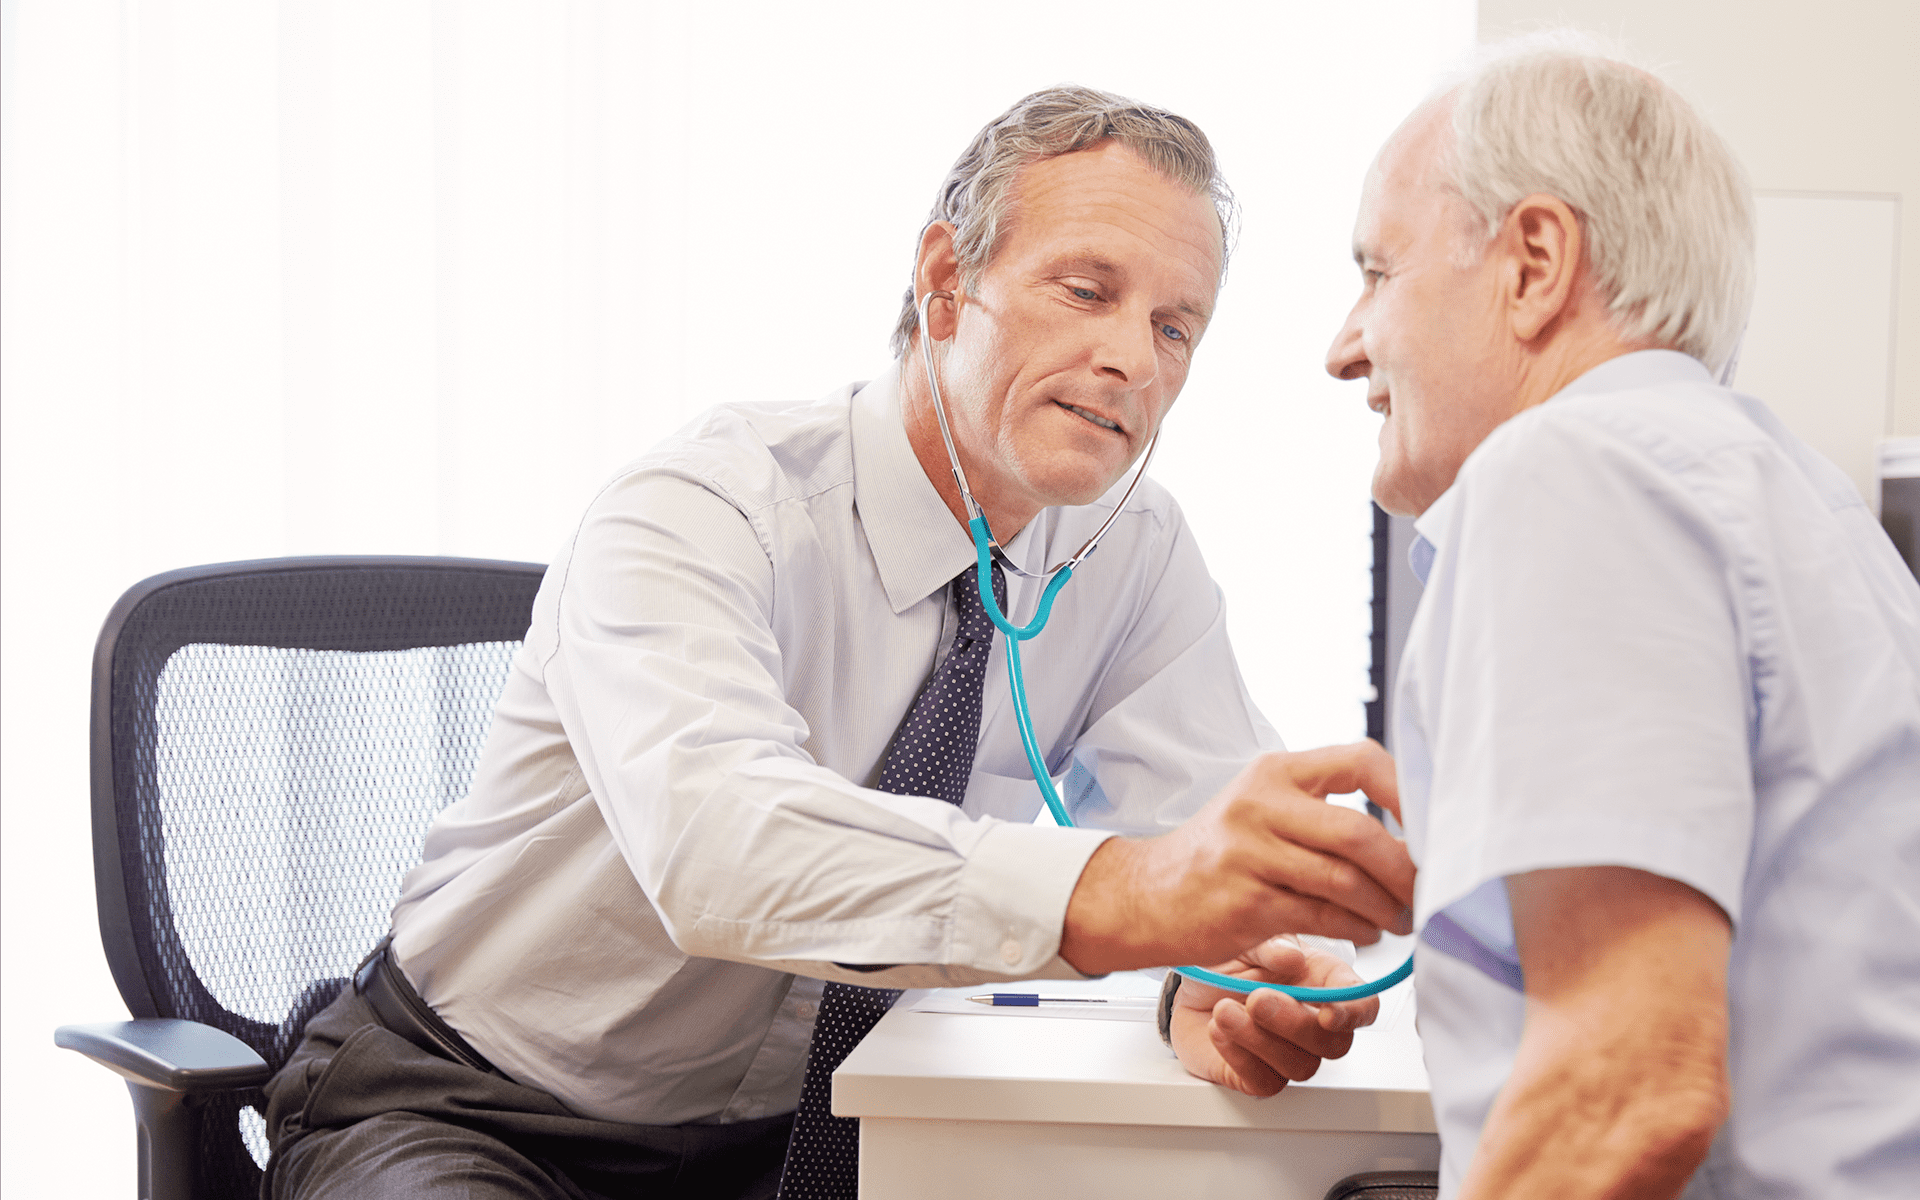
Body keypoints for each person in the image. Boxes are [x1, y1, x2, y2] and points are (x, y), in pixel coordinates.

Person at [261, 85, 1417, 1200]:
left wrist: (1212, 972)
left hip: (799, 1143)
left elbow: (1196, 840)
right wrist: (1123, 895)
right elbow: (720, 843)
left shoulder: (1135, 555)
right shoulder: (704, 506)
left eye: (1176, 325)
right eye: (1085, 290)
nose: (1136, 359)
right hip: (475, 1105)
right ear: (946, 282)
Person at [1298, 34, 1919, 1198]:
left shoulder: (1573, 473)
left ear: (1535, 262)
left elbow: (1630, 1084)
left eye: (1378, 273)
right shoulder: (1802, 507)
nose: (1345, 346)